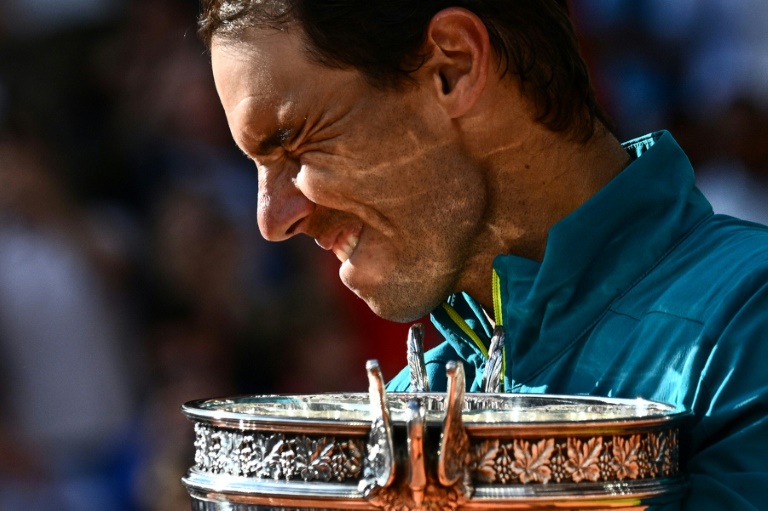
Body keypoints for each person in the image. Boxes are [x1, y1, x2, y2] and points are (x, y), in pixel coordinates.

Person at [196, 1, 768, 508]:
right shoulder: (401, 419)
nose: (270, 219)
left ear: (454, 65)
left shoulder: (750, 318)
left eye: (294, 139)